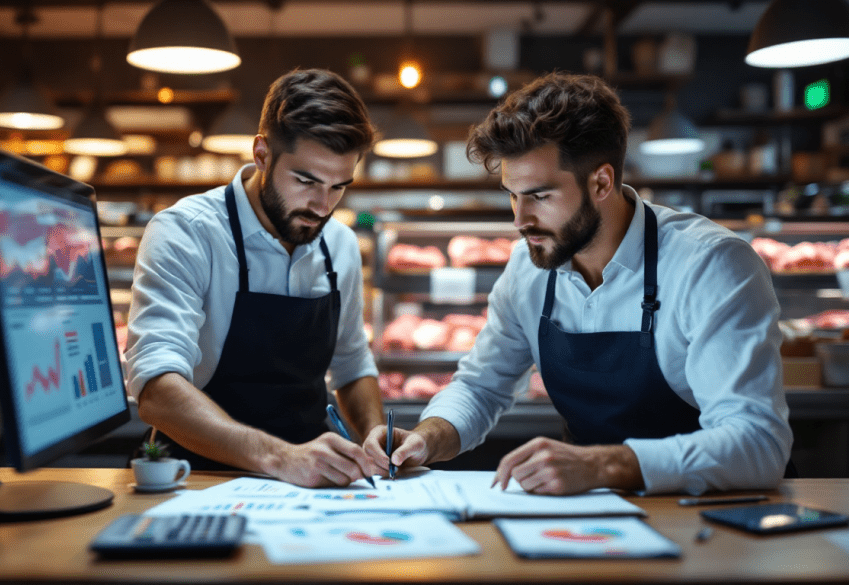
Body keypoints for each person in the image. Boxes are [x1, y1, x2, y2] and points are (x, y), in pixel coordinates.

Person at [365, 72, 792, 496]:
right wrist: (428, 437)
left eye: (540, 196)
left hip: (702, 517)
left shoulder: (710, 265)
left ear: (601, 182)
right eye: (512, 195)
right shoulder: (527, 268)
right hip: (589, 515)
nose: (519, 219)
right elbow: (481, 387)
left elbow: (758, 443)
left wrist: (603, 463)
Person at [125, 69, 385, 487]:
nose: (323, 205)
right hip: (197, 476)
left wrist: (374, 435)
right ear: (262, 154)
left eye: (339, 186)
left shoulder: (340, 244)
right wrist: (280, 458)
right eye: (306, 181)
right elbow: (155, 389)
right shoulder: (188, 232)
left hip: (312, 482)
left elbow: (352, 363)